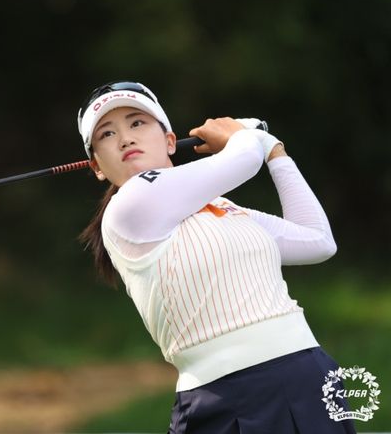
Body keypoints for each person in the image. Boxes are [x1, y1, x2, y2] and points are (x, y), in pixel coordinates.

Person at [77, 81, 356, 434]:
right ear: (97, 167)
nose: (125, 139)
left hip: (308, 374)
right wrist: (243, 137)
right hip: (225, 395)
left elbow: (318, 241)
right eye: (107, 133)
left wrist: (275, 151)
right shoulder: (128, 206)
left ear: (170, 141)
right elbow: (244, 160)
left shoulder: (222, 208)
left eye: (137, 123)